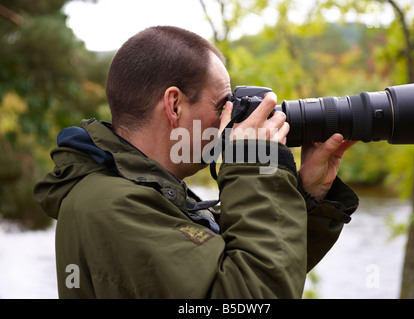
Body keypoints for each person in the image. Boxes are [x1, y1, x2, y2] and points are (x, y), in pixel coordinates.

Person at [34, 26, 358, 299]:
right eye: (223, 105)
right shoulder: (111, 205)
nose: (228, 122)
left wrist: (308, 197)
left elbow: (245, 267)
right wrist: (254, 163)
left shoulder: (145, 191)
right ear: (174, 105)